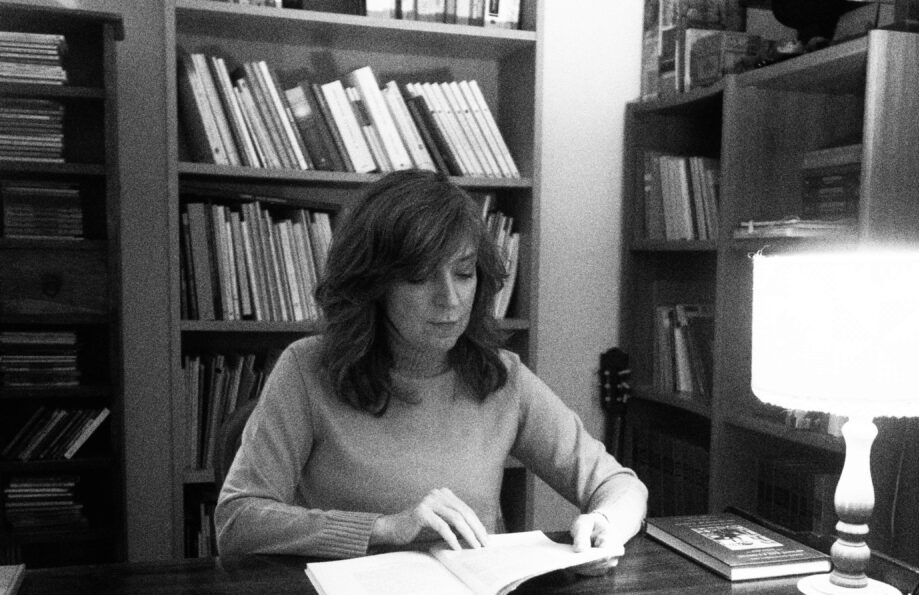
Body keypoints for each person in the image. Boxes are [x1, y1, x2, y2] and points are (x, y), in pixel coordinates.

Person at [215, 169, 647, 562]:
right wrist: (386, 528)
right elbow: (236, 520)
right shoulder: (307, 369)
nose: (450, 299)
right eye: (420, 277)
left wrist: (605, 524)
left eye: (464, 273)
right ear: (373, 284)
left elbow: (620, 485)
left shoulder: (502, 377)